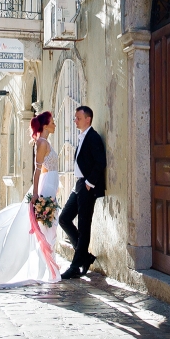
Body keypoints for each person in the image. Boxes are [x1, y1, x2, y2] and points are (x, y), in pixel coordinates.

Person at [0, 111, 61, 288]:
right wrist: (36, 195)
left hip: (51, 188)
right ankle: (46, 271)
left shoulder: (45, 142)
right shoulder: (41, 143)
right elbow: (38, 170)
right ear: (46, 125)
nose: (55, 125)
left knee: (49, 229)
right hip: (45, 189)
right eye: (53, 122)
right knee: (45, 229)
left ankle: (49, 269)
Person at [58, 105, 106, 279]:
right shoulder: (82, 137)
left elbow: (101, 162)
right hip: (79, 185)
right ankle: (84, 256)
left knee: (84, 226)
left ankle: (76, 265)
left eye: (78, 118)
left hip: (87, 186)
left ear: (88, 119)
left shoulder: (93, 137)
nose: (75, 121)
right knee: (64, 218)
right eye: (75, 118)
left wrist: (89, 182)